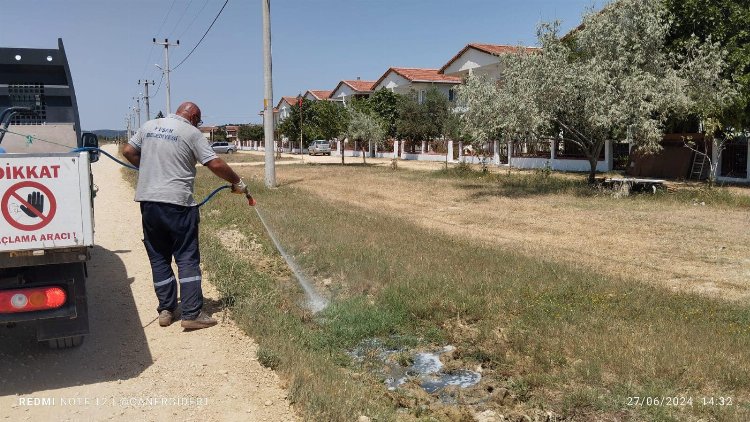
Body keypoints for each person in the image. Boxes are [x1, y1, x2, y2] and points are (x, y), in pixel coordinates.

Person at [122, 102, 247, 330]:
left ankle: (166, 310)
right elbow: (215, 162)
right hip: (178, 204)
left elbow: (128, 151)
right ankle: (191, 313)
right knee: (186, 256)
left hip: (149, 203)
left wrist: (149, 169)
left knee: (159, 256)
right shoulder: (191, 132)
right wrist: (237, 182)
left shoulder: (150, 125)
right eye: (198, 121)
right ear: (194, 117)